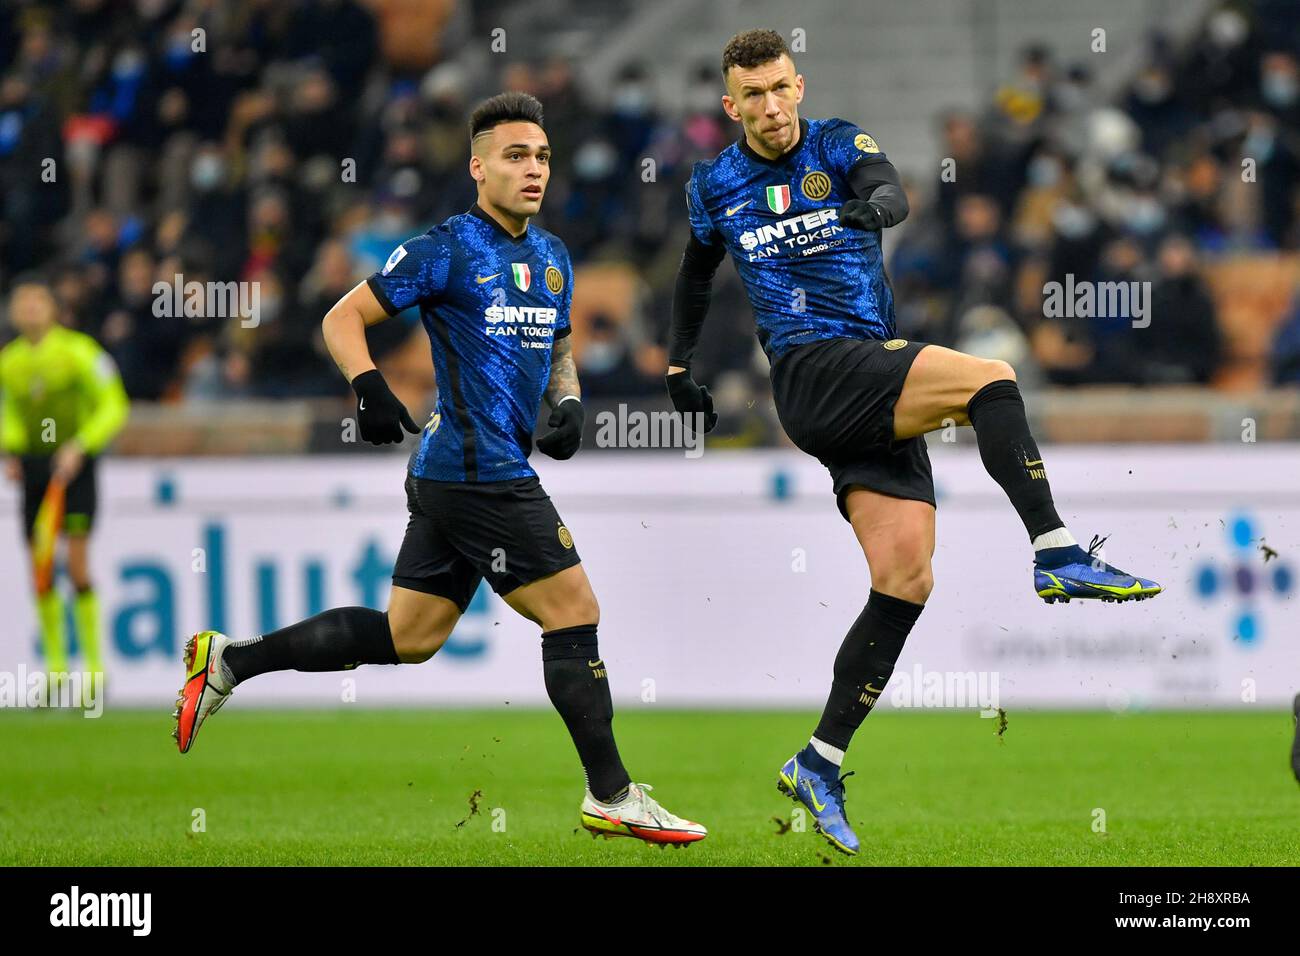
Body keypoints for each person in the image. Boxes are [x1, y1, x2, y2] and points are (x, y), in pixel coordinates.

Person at [664, 30, 1161, 855]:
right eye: (752, 96)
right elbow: (692, 272)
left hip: (866, 378)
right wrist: (678, 364)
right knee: (991, 379)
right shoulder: (716, 183)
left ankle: (819, 759)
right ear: (731, 106)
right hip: (816, 372)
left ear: (798, 83)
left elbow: (887, 187)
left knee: (905, 579)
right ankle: (1057, 549)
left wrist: (875, 209)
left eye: (780, 87)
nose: (771, 106)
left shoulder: (836, 140)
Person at [173, 92, 706, 847]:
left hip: (464, 471)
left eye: (543, 156)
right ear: (477, 166)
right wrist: (368, 387)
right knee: (574, 609)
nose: (533, 170)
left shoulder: (551, 258)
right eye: (516, 156)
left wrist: (570, 404)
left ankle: (231, 659)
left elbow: (557, 351)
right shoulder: (447, 248)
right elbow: (341, 318)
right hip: (472, 468)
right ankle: (611, 794)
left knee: (411, 634)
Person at [1, 276, 129, 687]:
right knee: (40, 567)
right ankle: (55, 669)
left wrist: (81, 445)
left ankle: (93, 669)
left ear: (53, 308)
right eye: (22, 302)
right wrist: (13, 449)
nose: (30, 309)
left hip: (73, 467)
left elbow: (114, 404)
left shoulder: (79, 352)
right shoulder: (11, 362)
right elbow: (6, 414)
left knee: (76, 565)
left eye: (37, 300)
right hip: (36, 467)